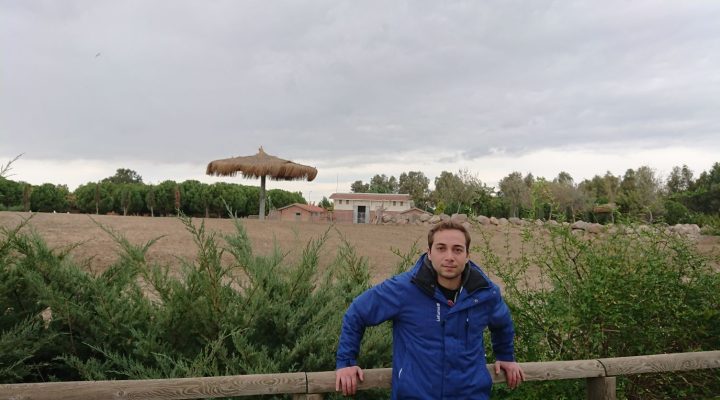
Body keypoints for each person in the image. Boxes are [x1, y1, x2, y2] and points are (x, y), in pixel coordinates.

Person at [335, 220, 524, 399]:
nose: (449, 257)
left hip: (471, 395)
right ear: (429, 253)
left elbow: (502, 324)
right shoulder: (403, 290)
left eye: (457, 250)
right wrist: (347, 363)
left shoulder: (485, 293)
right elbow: (357, 313)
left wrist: (506, 356)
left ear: (467, 256)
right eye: (441, 248)